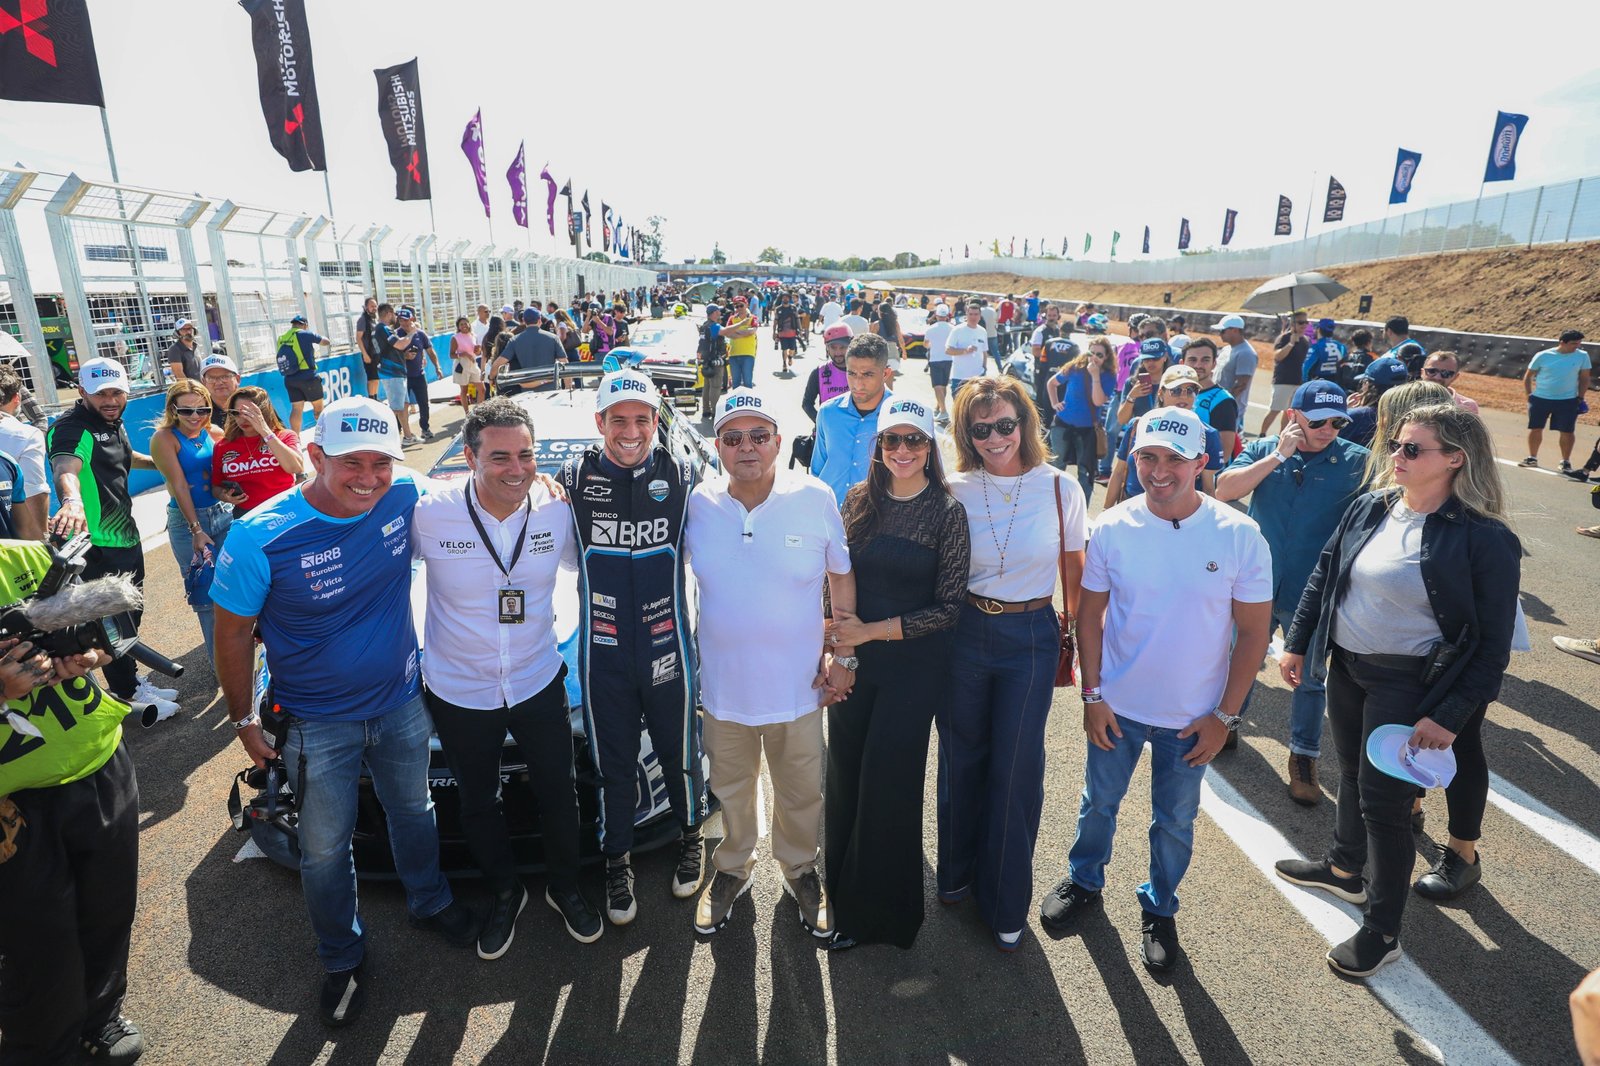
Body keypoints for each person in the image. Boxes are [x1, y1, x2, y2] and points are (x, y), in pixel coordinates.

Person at [211, 397, 480, 1027]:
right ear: (314, 456)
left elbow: (482, 483)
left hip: (401, 703)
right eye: (350, 462)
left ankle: (429, 901)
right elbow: (229, 637)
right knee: (325, 847)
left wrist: (541, 480)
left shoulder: (404, 491)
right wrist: (243, 720)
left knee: (414, 808)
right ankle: (341, 954)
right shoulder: (259, 535)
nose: (368, 477)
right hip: (315, 721)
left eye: (380, 463)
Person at [1274, 403, 1520, 979]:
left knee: (1385, 808)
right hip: (1351, 669)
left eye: (1413, 449)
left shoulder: (1485, 539)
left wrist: (1451, 718)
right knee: (1353, 776)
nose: (1396, 457)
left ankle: (1382, 932)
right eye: (1396, 446)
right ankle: (1343, 869)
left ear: (1455, 460)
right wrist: (1299, 641)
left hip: (1411, 685)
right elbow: (1325, 571)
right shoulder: (1371, 506)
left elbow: (1491, 649)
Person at [1040, 405, 1271, 970]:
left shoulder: (1240, 534)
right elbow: (1088, 618)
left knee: (1174, 821)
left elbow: (1253, 634)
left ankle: (1160, 906)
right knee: (1099, 805)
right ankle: (1084, 881)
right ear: (1134, 456)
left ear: (1200, 461)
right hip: (1117, 707)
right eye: (1147, 456)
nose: (1159, 470)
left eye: (1174, 458)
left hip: (1192, 717)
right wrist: (1092, 697)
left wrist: (1225, 717)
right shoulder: (1113, 527)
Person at [412, 397, 602, 956]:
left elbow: (590, 566)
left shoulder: (555, 510)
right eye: (500, 457)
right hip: (458, 687)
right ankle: (505, 890)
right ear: (470, 457)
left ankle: (565, 886)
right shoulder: (430, 511)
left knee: (559, 792)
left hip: (537, 678)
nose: (516, 469)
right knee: (477, 800)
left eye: (526, 455)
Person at [685, 388, 852, 937]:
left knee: (802, 790)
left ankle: (800, 870)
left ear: (779, 442)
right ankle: (733, 869)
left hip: (798, 688)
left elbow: (841, 574)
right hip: (725, 691)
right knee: (731, 791)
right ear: (718, 447)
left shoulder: (815, 494)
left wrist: (844, 653)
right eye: (733, 438)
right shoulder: (697, 503)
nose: (747, 447)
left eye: (759, 435)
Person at [939, 376, 1086, 951]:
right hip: (964, 630)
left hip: (1031, 632)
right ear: (966, 434)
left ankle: (1004, 900)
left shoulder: (1060, 489)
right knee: (960, 756)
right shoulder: (951, 487)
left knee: (1016, 766)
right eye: (982, 429)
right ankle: (953, 875)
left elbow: (1076, 574)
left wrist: (1088, 656)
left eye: (1006, 424)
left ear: (1025, 422)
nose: (996, 437)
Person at [557, 369, 708, 927]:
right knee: (612, 761)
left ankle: (691, 836)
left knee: (679, 751)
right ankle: (616, 859)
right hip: (603, 651)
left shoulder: (686, 475)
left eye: (641, 419)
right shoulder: (570, 479)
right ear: (600, 422)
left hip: (669, 644)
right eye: (617, 419)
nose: (630, 430)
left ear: (655, 422)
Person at [823, 396, 969, 950]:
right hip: (857, 661)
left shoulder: (946, 513)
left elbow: (948, 608)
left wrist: (870, 632)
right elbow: (832, 575)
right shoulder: (859, 499)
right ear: (878, 448)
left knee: (888, 784)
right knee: (845, 774)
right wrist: (841, 648)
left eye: (914, 440)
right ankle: (838, 891)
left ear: (930, 448)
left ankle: (876, 918)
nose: (902, 450)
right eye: (892, 440)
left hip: (913, 667)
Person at [0, 547, 148, 1063]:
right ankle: (43, 1047)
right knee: (34, 938)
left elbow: (104, 636)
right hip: (10, 803)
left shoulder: (26, 556)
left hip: (98, 760)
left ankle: (100, 1016)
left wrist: (90, 657)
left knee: (108, 909)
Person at [1216, 381, 1370, 802]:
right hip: (1258, 584)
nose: (1329, 429)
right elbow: (1224, 489)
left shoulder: (1358, 462)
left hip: (1313, 591)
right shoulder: (1267, 449)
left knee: (1310, 676)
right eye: (1318, 421)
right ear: (1293, 417)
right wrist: (1278, 455)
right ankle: (1227, 722)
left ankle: (1303, 756)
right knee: (1238, 656)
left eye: (1339, 421)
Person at [47, 358, 173, 716]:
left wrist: (169, 464)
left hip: (125, 539)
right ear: (83, 390)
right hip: (97, 547)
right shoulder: (72, 428)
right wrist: (71, 500)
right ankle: (127, 693)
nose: (110, 399)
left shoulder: (113, 423)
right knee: (112, 624)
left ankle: (129, 681)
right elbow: (66, 467)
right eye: (101, 393)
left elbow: (126, 457)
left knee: (130, 616)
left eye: (117, 392)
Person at [149, 380, 231, 667]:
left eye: (202, 409)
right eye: (187, 410)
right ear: (173, 409)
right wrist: (197, 530)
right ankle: (220, 670)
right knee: (207, 601)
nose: (195, 416)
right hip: (188, 523)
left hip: (223, 514)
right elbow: (180, 485)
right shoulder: (164, 438)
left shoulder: (215, 433)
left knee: (233, 590)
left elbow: (222, 474)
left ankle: (241, 662)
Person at [1104, 365, 1224, 507]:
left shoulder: (1207, 434)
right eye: (1176, 390)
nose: (1184, 396)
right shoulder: (1138, 426)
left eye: (1191, 390)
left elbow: (1208, 489)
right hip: (1131, 511)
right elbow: (1118, 473)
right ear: (1161, 393)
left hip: (1177, 518)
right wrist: (1106, 510)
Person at [811, 333, 894, 506]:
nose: (857, 383)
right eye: (852, 373)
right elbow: (818, 469)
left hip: (877, 521)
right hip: (829, 516)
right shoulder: (828, 412)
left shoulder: (899, 417)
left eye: (867, 374)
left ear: (885, 373)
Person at [212, 386, 304, 515]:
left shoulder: (285, 436)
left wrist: (265, 431)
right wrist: (224, 496)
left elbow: (296, 468)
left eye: (249, 413)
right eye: (236, 413)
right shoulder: (222, 446)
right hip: (247, 516)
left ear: (263, 412)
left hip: (285, 510)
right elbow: (216, 486)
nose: (243, 419)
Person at [1046, 334, 1115, 502]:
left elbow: (1098, 401)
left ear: (1106, 357)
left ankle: (1080, 510)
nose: (1095, 358)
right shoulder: (1075, 367)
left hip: (1087, 430)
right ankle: (1052, 504)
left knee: (1085, 473)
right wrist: (1055, 403)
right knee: (1057, 467)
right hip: (1063, 425)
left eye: (1099, 355)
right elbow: (1052, 383)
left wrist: (1095, 376)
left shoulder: (1109, 376)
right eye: (1092, 353)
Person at [1522, 328, 1591, 471]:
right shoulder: (1543, 355)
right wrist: (1529, 396)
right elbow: (1528, 376)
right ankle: (1532, 458)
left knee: (1567, 431)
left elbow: (1585, 378)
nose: (1577, 346)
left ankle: (1565, 461)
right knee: (1536, 428)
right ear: (1562, 342)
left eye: (1579, 343)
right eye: (1573, 343)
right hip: (1540, 398)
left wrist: (1580, 397)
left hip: (1568, 400)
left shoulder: (1583, 356)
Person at [0, 365, 48, 540]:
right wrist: (43, 543)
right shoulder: (24, 437)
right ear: (16, 398)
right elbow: (35, 493)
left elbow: (40, 418)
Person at [1184, 337, 1240, 458]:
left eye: (1205, 360)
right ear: (1182, 363)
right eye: (1192, 360)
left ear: (1214, 364)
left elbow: (1224, 454)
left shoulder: (1223, 401)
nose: (1198, 365)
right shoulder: (1175, 393)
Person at [275, 313, 330, 432]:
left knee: (296, 408)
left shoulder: (282, 338)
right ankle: (324, 435)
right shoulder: (305, 334)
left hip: (290, 378)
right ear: (305, 325)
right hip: (307, 376)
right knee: (319, 408)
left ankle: (296, 439)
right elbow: (325, 342)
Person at [1339, 355, 1409, 449]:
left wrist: (1342, 414)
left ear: (1368, 384)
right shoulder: (1415, 416)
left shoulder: (1355, 417)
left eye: (1364, 381)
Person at [373, 304, 419, 443]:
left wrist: (404, 356)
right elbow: (400, 344)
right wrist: (412, 332)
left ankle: (408, 436)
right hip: (391, 374)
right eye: (394, 314)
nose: (396, 318)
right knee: (395, 408)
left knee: (403, 405)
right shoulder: (383, 328)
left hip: (396, 372)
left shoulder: (381, 329)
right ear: (388, 313)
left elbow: (391, 350)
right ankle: (386, 441)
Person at [491, 309, 567, 392]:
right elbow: (564, 363)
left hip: (527, 391)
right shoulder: (553, 338)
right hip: (550, 389)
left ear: (524, 321)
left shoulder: (515, 340)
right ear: (539, 320)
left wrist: (491, 377)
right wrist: (568, 387)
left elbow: (498, 363)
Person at [1260, 311, 1309, 436]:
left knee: (1289, 412)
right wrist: (1291, 343)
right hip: (1282, 381)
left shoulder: (1305, 341)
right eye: (1301, 322)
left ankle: (1282, 436)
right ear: (1292, 324)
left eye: (1306, 322)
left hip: (1297, 381)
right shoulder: (1284, 338)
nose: (1304, 325)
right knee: (1275, 410)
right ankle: (1262, 434)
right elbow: (1278, 356)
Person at [1030, 303, 1077, 421]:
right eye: (1049, 315)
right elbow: (1035, 351)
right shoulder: (1040, 331)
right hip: (1043, 371)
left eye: (1054, 315)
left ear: (1058, 316)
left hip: (1060, 373)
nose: (1051, 317)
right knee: (1042, 400)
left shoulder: (1059, 331)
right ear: (1045, 316)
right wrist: (1053, 356)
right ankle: (1041, 425)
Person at [403, 313, 443, 443]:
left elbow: (431, 352)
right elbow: (391, 355)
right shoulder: (396, 334)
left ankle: (425, 428)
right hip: (403, 377)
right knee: (402, 406)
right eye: (401, 320)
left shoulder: (420, 334)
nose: (403, 323)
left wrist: (437, 367)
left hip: (419, 375)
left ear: (412, 320)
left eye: (406, 320)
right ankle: (403, 433)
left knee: (424, 403)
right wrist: (404, 356)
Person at [801, 323, 852, 424]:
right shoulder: (819, 372)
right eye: (833, 347)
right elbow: (807, 403)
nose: (838, 352)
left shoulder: (860, 371)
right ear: (827, 348)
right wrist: (820, 423)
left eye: (842, 347)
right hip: (826, 435)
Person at [1214, 314, 1257, 432]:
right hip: (1217, 402)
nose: (1220, 334)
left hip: (1228, 408)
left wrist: (1224, 402)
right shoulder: (1227, 349)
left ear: (1235, 330)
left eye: (1223, 331)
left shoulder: (1246, 353)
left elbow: (1241, 384)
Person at [945, 303, 989, 394]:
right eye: (971, 314)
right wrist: (965, 351)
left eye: (976, 314)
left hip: (977, 378)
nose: (973, 317)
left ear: (980, 316)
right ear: (966, 315)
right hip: (960, 377)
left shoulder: (982, 331)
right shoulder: (957, 330)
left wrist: (984, 368)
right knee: (959, 407)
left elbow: (984, 352)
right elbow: (948, 350)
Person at [923, 304, 955, 424]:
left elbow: (925, 344)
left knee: (937, 386)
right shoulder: (952, 328)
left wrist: (933, 345)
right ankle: (938, 407)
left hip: (935, 359)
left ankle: (943, 411)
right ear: (947, 316)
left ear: (936, 316)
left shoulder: (931, 328)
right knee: (943, 385)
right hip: (949, 358)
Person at [697, 304, 729, 421]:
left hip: (706, 361)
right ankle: (716, 413)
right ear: (714, 313)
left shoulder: (704, 326)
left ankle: (706, 410)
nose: (720, 313)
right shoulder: (715, 326)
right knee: (715, 387)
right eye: (718, 311)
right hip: (715, 361)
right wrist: (741, 325)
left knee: (707, 386)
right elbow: (728, 332)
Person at [1421, 350, 1478, 415]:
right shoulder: (1407, 398)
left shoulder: (1467, 406)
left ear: (1455, 377)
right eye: (1432, 371)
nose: (1437, 377)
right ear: (1422, 372)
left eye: (1446, 373)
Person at [722, 296, 759, 390]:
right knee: (735, 384)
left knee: (747, 382)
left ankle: (748, 404)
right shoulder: (732, 318)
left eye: (741, 305)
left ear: (746, 305)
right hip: (734, 353)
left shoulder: (752, 318)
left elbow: (752, 331)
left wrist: (735, 331)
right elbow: (727, 333)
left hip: (748, 354)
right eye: (736, 306)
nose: (739, 308)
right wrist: (744, 331)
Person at [450, 315, 482, 412]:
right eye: (461, 324)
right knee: (464, 390)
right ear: (458, 327)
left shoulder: (473, 335)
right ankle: (467, 413)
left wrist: (478, 350)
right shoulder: (455, 338)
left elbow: (477, 352)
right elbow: (451, 355)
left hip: (473, 363)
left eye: (465, 323)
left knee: (482, 389)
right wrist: (464, 354)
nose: (464, 326)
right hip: (462, 365)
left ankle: (479, 411)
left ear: (469, 324)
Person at [1303, 318, 1347, 385]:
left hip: (1317, 384)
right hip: (1335, 385)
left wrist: (1304, 384)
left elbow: (1306, 368)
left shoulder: (1315, 347)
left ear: (1318, 330)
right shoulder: (1342, 347)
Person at [200, 353, 241, 425]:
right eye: (211, 378)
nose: (219, 382)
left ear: (237, 379)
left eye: (225, 377)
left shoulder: (253, 405)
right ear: (204, 383)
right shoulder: (199, 413)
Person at [355, 296, 382, 400]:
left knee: (376, 378)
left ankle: (375, 397)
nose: (374, 308)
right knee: (371, 378)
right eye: (372, 306)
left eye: (375, 306)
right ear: (366, 307)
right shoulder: (363, 320)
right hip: (369, 354)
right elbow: (358, 338)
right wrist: (365, 354)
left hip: (376, 354)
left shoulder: (374, 319)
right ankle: (372, 399)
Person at [165, 317, 202, 382]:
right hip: (190, 389)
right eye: (183, 329)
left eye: (189, 328)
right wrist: (193, 389)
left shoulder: (195, 346)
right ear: (177, 333)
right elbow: (179, 375)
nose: (188, 331)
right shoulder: (175, 349)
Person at [774, 294, 802, 374]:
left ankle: (790, 357)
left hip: (792, 333)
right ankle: (784, 364)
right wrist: (774, 332)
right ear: (782, 299)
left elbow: (797, 319)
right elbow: (775, 321)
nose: (785, 298)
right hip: (782, 333)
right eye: (783, 297)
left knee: (792, 349)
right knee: (784, 349)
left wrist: (800, 330)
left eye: (786, 297)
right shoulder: (778, 309)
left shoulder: (793, 308)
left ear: (789, 299)